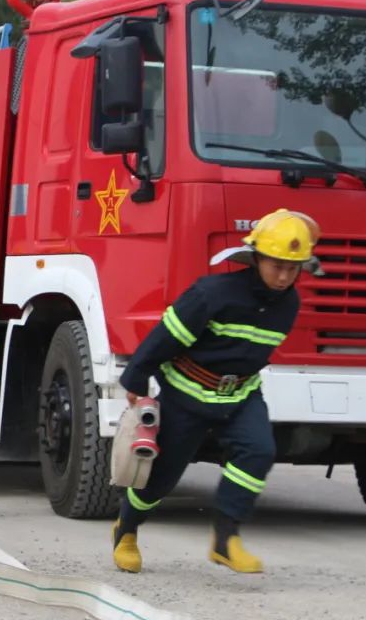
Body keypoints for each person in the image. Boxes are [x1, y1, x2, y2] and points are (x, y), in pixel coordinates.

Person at [112, 209, 321, 574]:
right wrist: (137, 379)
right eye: (277, 265)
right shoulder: (212, 294)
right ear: (256, 258)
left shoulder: (289, 304)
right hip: (186, 392)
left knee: (259, 451)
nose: (285, 276)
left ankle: (226, 540)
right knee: (160, 477)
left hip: (240, 395)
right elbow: (166, 337)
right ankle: (126, 530)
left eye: (293, 268)